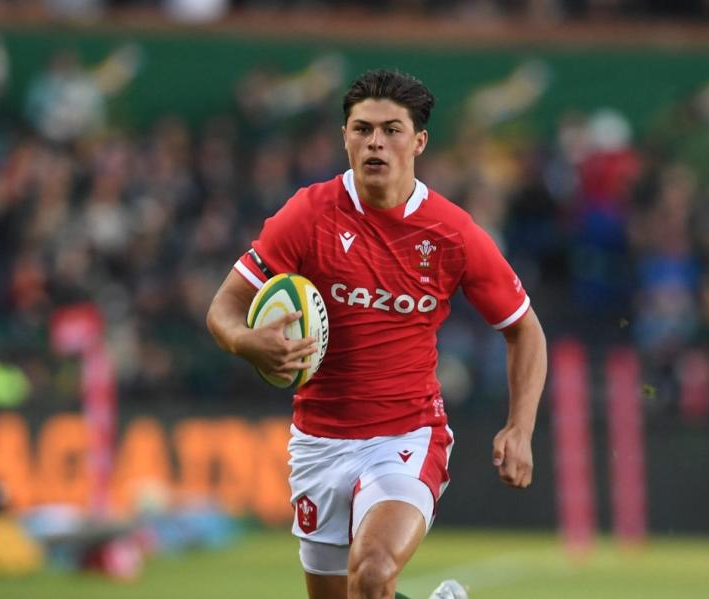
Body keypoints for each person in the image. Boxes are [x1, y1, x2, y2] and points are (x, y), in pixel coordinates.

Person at [206, 69, 547, 599]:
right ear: (344, 136)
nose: (376, 142)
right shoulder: (308, 213)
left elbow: (524, 329)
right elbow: (224, 308)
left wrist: (519, 428)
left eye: (391, 129)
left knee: (371, 573)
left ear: (419, 141)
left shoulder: (451, 232)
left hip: (405, 436)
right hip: (318, 441)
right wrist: (247, 341)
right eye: (362, 129)